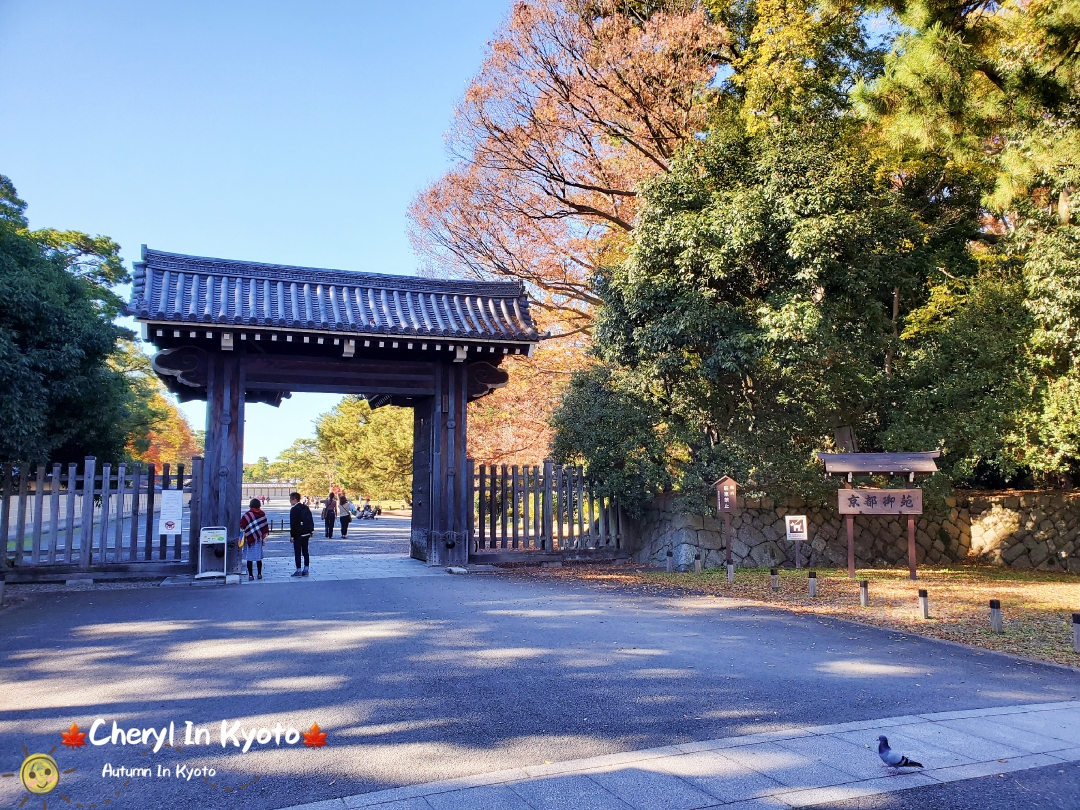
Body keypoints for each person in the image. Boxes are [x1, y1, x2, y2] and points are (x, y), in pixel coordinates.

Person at [239, 498, 269, 581]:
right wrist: (262, 536)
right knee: (258, 557)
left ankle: (251, 575)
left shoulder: (247, 515)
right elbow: (264, 527)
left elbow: (242, 525)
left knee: (250, 558)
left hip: (249, 539)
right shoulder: (262, 514)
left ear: (250, 505)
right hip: (258, 539)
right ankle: (259, 574)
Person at [289, 491, 314, 577]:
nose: (290, 501)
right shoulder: (305, 507)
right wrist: (310, 531)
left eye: (291, 499)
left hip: (298, 533)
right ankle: (306, 569)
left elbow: (293, 524)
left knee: (298, 552)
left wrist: (292, 535)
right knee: (305, 551)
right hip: (306, 532)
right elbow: (310, 519)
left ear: (294, 499)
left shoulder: (294, 509)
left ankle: (298, 570)